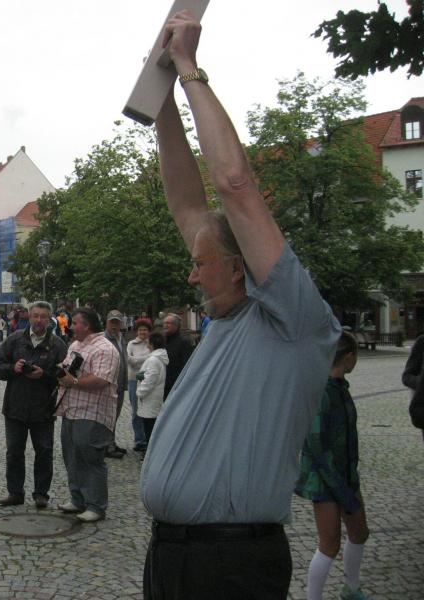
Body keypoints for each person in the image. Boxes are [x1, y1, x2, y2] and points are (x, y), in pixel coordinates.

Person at [140, 11, 341, 599]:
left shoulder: (293, 320)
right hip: (173, 556)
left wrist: (188, 68)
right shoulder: (227, 315)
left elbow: (235, 184)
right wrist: (160, 99)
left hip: (231, 563)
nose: (191, 272)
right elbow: (186, 202)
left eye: (200, 262)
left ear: (237, 266)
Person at [294, 332, 372, 600]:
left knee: (360, 533)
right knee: (329, 544)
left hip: (345, 475)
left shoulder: (341, 388)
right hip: (324, 480)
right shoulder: (322, 392)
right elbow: (316, 447)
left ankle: (351, 589)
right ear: (348, 358)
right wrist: (341, 490)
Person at [0, 301, 67, 508]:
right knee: (14, 452)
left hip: (43, 409)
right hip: (15, 407)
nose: (39, 320)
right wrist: (13, 368)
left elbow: (66, 377)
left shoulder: (58, 345)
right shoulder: (15, 339)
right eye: (35, 316)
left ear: (49, 319)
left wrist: (45, 375)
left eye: (43, 316)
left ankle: (41, 494)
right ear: (29, 317)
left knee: (44, 452)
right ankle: (15, 493)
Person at [56, 307, 119, 523]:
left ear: (87, 325)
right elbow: (66, 369)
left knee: (91, 458)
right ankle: (78, 499)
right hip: (71, 409)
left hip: (93, 412)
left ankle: (96, 506)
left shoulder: (105, 348)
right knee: (71, 457)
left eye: (74, 323)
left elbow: (101, 380)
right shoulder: (76, 345)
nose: (70, 327)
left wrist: (73, 381)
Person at [135, 330, 168, 445]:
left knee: (150, 429)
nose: (147, 345)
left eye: (148, 342)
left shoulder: (153, 360)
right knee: (151, 428)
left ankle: (150, 452)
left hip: (150, 400)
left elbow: (150, 380)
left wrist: (139, 392)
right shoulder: (157, 358)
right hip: (153, 399)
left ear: (152, 344)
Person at [103, 310, 128, 459]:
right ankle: (107, 446)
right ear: (106, 322)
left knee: (115, 416)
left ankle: (111, 442)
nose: (114, 325)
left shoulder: (121, 338)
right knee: (109, 416)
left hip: (120, 384)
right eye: (112, 322)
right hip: (110, 385)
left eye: (117, 322)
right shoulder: (104, 340)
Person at [127, 319, 154, 451]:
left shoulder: (152, 343)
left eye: (145, 329)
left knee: (148, 410)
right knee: (135, 411)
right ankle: (139, 440)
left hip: (148, 380)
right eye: (140, 329)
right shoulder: (131, 344)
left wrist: (138, 360)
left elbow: (153, 360)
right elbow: (129, 360)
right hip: (133, 380)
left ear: (149, 331)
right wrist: (147, 359)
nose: (142, 332)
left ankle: (149, 439)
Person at [161, 313, 194, 400]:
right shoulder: (162, 340)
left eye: (168, 323)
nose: (165, 325)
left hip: (176, 384)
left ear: (176, 325)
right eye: (164, 323)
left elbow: (187, 364)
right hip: (163, 383)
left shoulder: (184, 341)